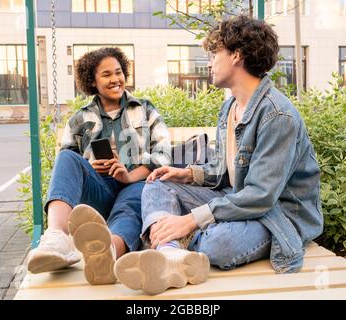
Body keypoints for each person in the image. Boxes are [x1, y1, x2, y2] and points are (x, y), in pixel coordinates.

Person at [114, 15, 324, 295]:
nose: (209, 62)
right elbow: (224, 170)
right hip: (236, 200)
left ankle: (169, 247)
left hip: (278, 216)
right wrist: (187, 174)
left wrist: (189, 220)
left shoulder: (277, 115)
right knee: (157, 184)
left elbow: (261, 196)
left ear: (236, 55)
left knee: (218, 244)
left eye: (214, 54)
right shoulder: (230, 108)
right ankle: (170, 254)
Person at [27, 47, 172, 285]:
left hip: (134, 185)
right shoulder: (79, 119)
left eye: (118, 72)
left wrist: (128, 175)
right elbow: (68, 168)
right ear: (92, 81)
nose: (115, 79)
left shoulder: (144, 109)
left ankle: (108, 256)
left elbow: (163, 153)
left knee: (134, 201)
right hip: (98, 191)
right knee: (66, 158)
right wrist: (90, 167)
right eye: (106, 75)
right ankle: (57, 238)